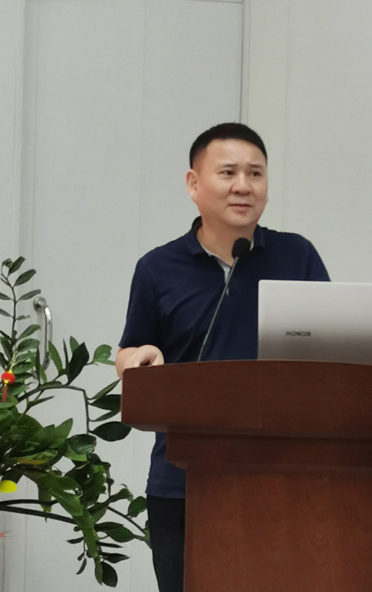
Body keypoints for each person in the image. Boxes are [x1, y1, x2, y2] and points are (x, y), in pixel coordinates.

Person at [115, 122, 329, 592]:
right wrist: (135, 361)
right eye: (228, 172)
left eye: (256, 173)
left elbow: (330, 355)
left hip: (283, 476)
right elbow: (131, 351)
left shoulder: (297, 257)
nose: (243, 186)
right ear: (194, 184)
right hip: (183, 482)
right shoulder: (157, 269)